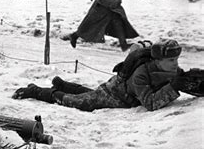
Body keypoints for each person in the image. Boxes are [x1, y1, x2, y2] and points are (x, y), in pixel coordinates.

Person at [13, 39, 188, 112]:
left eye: (176, 59)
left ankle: (64, 85)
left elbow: (180, 81)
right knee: (77, 102)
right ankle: (36, 91)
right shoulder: (141, 74)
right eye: (171, 60)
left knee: (89, 94)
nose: (176, 64)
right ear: (158, 60)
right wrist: (173, 87)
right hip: (115, 95)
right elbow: (150, 103)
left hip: (116, 91)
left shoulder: (171, 70)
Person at [62, 0, 139, 52]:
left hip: (111, 11)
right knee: (89, 27)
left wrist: (115, 4)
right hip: (99, 11)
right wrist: (114, 2)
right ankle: (74, 36)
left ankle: (123, 44)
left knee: (119, 24)